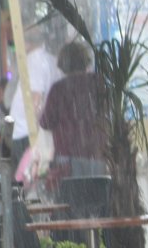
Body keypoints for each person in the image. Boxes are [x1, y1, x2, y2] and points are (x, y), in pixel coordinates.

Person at [40, 42, 107, 193]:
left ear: (63, 64)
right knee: (98, 197)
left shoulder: (58, 89)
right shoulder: (98, 82)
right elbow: (107, 112)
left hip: (68, 154)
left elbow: (46, 122)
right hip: (97, 152)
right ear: (85, 61)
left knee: (73, 199)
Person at [9, 24, 63, 160]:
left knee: (22, 177)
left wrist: (36, 133)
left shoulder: (35, 61)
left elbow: (36, 99)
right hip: (29, 132)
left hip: (25, 132)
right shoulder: (50, 60)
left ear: (26, 43)